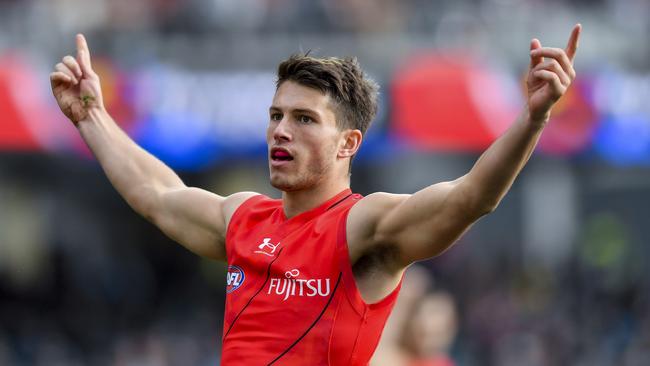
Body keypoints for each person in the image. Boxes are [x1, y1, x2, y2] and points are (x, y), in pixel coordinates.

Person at [50, 24, 581, 365]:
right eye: (276, 116)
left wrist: (533, 119)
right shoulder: (243, 220)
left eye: (304, 119)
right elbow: (158, 194)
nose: (281, 130)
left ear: (349, 143)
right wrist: (92, 116)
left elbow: (469, 199)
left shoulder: (364, 227)